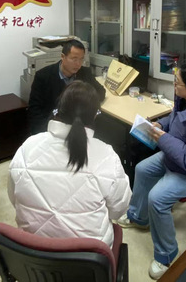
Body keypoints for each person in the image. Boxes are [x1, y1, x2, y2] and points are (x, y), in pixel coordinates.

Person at [117, 61, 186, 279]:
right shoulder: (185, 100)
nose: (174, 85)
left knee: (157, 198)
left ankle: (166, 255)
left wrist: (164, 139)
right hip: (176, 157)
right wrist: (162, 125)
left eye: (177, 83)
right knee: (142, 169)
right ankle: (139, 217)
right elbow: (176, 119)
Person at [9, 81, 132, 247]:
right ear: (94, 116)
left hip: (33, 252)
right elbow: (119, 209)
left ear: (58, 110)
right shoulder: (107, 156)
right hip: (89, 257)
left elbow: (14, 198)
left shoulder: (27, 148)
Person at [27, 39, 105, 135]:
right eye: (74, 59)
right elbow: (35, 111)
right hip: (53, 127)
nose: (78, 64)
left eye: (81, 59)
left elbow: (101, 92)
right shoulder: (43, 76)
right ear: (63, 57)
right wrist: (45, 133)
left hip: (80, 126)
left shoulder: (85, 73)